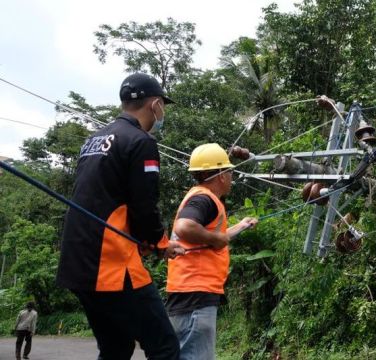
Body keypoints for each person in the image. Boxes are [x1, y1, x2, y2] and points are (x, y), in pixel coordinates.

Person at [56, 73, 184, 360]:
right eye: (163, 104)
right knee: (164, 347)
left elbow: (106, 199)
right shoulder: (141, 142)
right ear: (154, 104)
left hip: (77, 264)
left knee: (116, 349)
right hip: (110, 265)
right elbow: (144, 207)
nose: (163, 111)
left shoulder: (94, 140)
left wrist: (149, 243)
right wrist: (161, 244)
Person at [166, 143, 258, 360]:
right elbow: (184, 227)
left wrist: (241, 226)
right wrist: (216, 238)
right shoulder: (204, 198)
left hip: (185, 290)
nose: (232, 176)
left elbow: (216, 238)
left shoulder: (198, 196)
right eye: (230, 171)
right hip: (196, 293)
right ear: (221, 175)